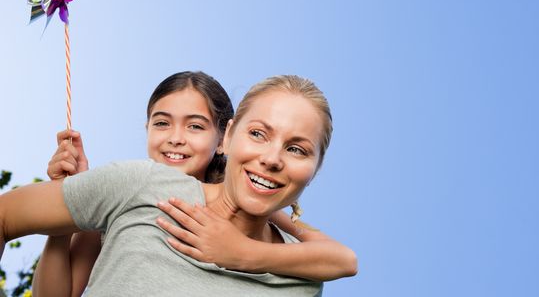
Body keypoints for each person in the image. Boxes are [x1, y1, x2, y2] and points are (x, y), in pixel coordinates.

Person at [28, 72, 357, 296]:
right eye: (161, 123)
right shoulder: (131, 195)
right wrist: (70, 200)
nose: (175, 139)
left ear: (222, 139)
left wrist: (244, 250)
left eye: (195, 127)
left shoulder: (254, 201)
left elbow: (341, 259)